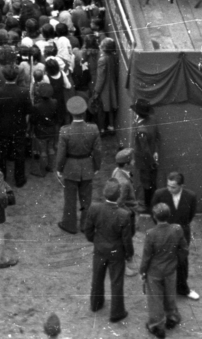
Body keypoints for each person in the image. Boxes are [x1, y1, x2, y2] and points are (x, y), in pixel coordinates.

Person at [83, 179, 134, 324]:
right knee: (116, 282)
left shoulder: (94, 208)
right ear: (118, 195)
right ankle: (117, 312)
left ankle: (95, 304)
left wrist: (96, 241)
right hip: (116, 253)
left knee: (97, 277)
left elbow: (88, 230)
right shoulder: (124, 214)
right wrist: (129, 254)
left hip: (99, 249)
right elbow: (127, 240)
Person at [138, 203, 187, 338]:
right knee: (170, 295)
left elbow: (146, 257)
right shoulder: (177, 229)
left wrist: (142, 272)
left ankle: (157, 326)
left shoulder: (151, 234)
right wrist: (176, 261)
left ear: (154, 217)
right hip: (170, 270)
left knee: (155, 299)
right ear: (168, 215)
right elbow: (184, 249)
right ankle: (172, 318)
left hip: (154, 272)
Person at [149, 172, 199, 302]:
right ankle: (164, 289)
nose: (170, 189)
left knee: (182, 260)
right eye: (168, 186)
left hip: (182, 233)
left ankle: (183, 289)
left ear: (182, 186)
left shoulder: (191, 196)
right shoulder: (159, 194)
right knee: (163, 259)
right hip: (164, 233)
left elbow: (190, 215)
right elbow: (153, 212)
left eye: (173, 187)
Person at [55, 96, 100, 233]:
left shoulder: (65, 130)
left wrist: (59, 169)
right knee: (87, 199)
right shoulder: (93, 129)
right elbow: (97, 151)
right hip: (87, 167)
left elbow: (61, 154)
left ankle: (69, 224)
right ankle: (85, 225)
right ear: (84, 112)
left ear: (70, 113)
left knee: (70, 199)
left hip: (70, 168)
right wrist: (96, 166)